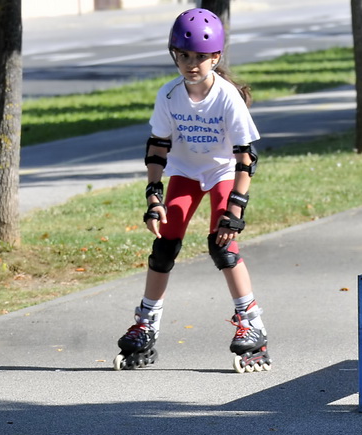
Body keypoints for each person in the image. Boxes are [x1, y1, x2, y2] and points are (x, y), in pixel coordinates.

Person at [113, 8, 270, 373]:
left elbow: (246, 157)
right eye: (184, 56)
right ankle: (146, 323)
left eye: (200, 57)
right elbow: (157, 148)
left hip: (222, 171)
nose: (191, 64)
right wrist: (154, 195)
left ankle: (252, 322)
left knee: (224, 245)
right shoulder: (169, 95)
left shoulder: (227, 97)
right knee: (165, 244)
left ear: (216, 57)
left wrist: (235, 208)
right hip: (185, 171)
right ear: (174, 55)